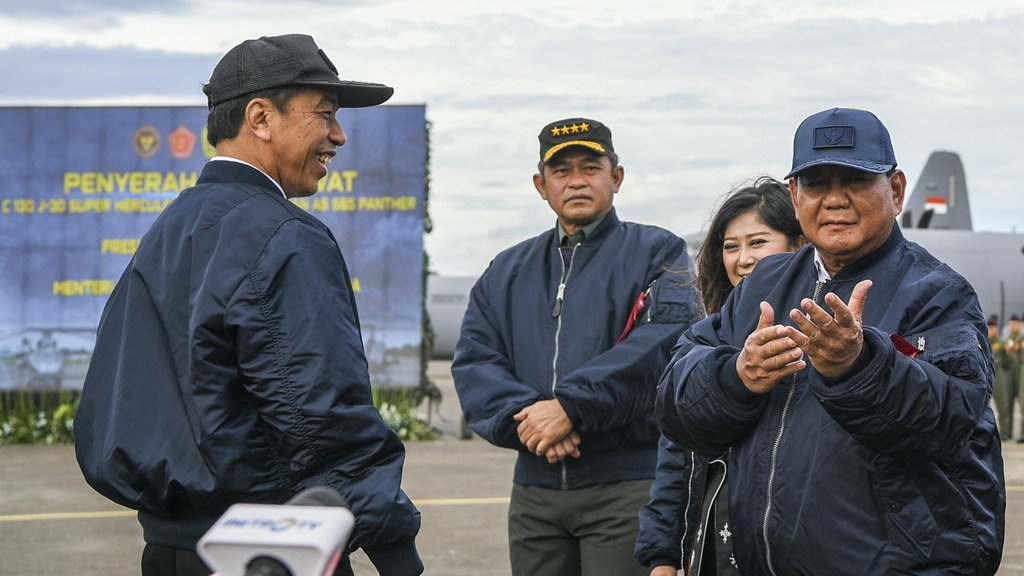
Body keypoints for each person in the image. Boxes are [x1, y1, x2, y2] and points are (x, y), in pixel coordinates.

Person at [74, 34, 422, 576]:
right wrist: (397, 550)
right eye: (325, 114)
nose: (339, 135)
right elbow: (322, 417)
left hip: (169, 549)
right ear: (260, 117)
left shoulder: (171, 228)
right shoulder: (285, 235)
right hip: (268, 550)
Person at [655, 107, 1005, 575]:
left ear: (896, 190)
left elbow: (950, 421)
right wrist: (736, 376)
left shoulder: (939, 293)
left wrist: (859, 367)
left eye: (856, 180)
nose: (835, 200)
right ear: (795, 195)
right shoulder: (764, 284)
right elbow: (676, 397)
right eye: (818, 183)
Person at [452, 117, 701, 576]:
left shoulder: (658, 252)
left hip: (625, 487)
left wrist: (571, 406)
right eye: (562, 171)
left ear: (617, 177)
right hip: (534, 493)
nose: (577, 181)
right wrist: (532, 420)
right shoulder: (507, 269)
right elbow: (475, 361)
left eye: (591, 167)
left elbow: (664, 343)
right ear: (540, 185)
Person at [636, 177, 803, 576]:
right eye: (731, 246)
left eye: (758, 242)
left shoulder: (825, 342)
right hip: (713, 549)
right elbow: (677, 457)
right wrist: (663, 557)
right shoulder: (703, 342)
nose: (742, 258)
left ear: (799, 246)